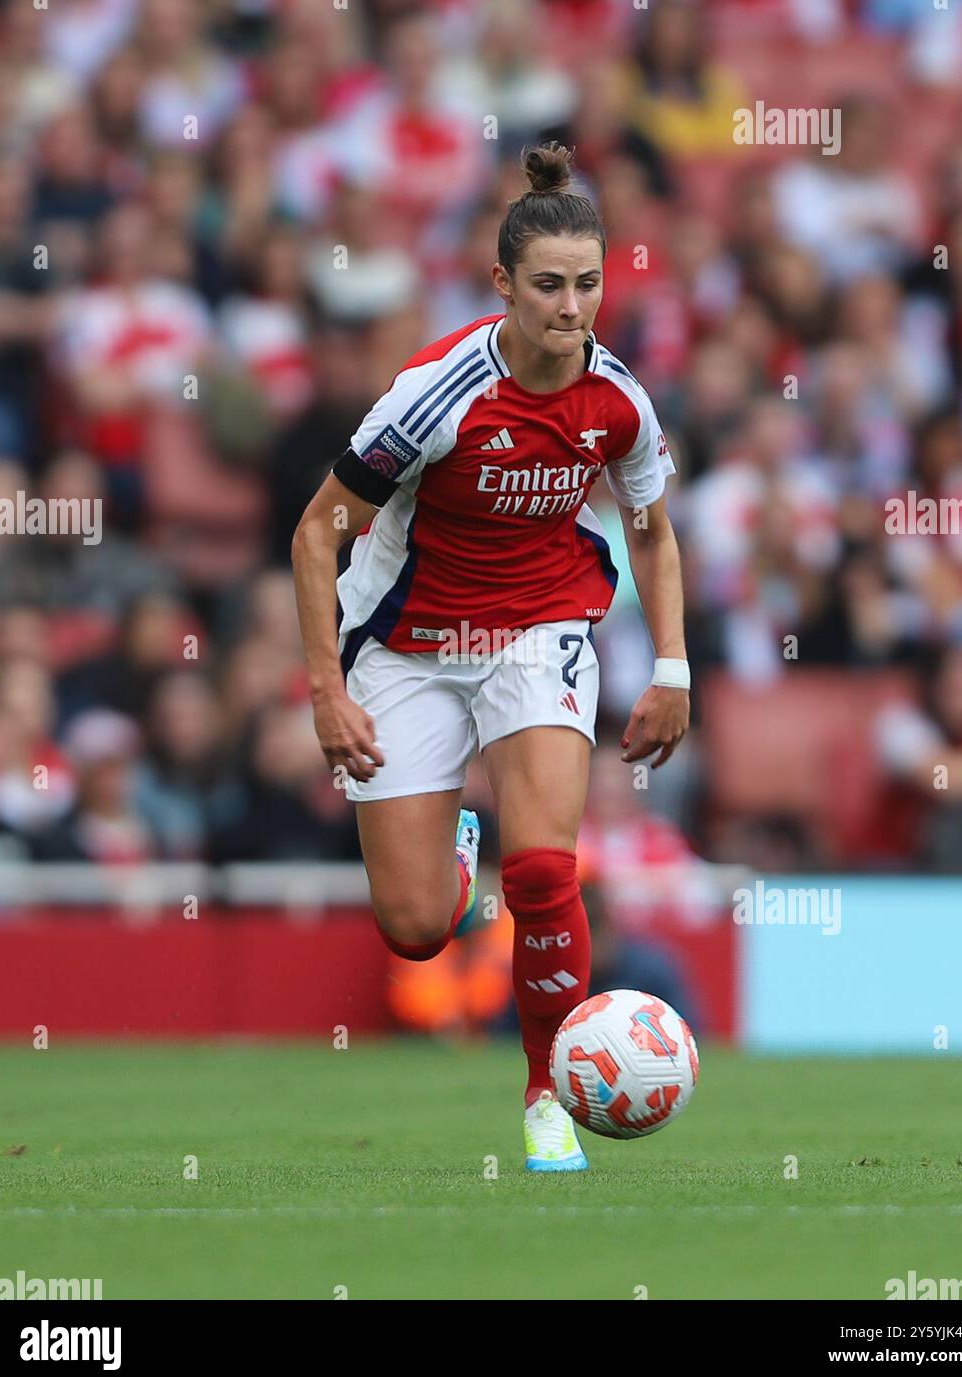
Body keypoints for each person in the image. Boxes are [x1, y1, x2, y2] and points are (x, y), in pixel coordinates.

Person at [292, 142, 690, 1172]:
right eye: (549, 285)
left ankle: (547, 1091)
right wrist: (325, 693)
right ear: (503, 284)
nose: (570, 306)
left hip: (537, 628)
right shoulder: (435, 392)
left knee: (547, 867)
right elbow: (316, 531)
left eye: (588, 284)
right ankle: (448, 844)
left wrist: (672, 666)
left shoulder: (617, 401)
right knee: (418, 928)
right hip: (409, 645)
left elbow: (648, 526)